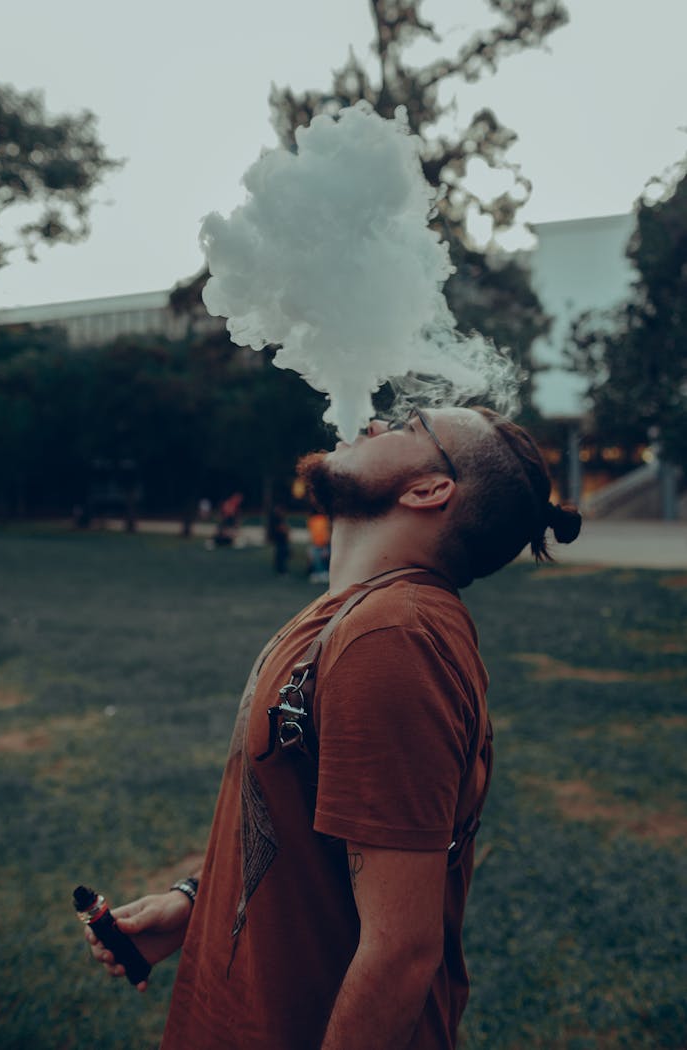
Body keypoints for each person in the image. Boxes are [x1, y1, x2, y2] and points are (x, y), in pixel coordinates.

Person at [85, 406, 581, 1049]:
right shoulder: (352, 615)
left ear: (429, 489)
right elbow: (317, 826)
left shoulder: (394, 637)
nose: (374, 421)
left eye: (408, 423)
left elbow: (401, 951)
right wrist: (192, 903)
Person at [306, 511, 331, 582]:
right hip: (315, 543)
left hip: (323, 543)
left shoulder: (324, 520)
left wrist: (326, 546)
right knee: (316, 559)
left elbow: (326, 533)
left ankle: (323, 573)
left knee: (323, 558)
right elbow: (311, 533)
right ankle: (317, 573)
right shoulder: (312, 520)